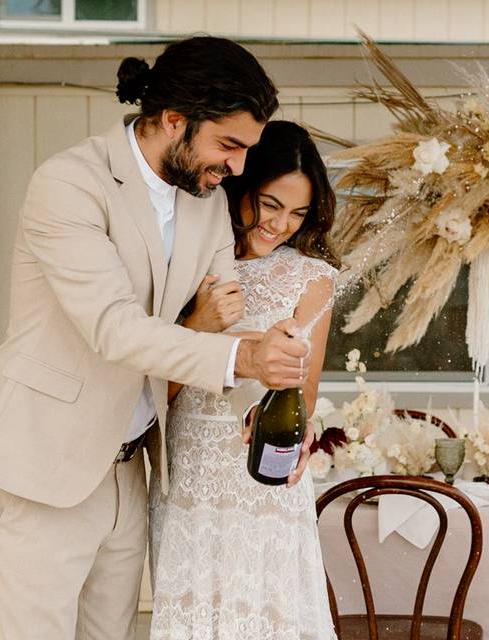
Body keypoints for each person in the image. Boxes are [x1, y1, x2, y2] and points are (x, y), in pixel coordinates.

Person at [0, 37, 313, 640]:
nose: (237, 168)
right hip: (46, 469)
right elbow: (114, 328)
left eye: (245, 151)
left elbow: (228, 324)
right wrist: (240, 353)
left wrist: (262, 394)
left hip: (133, 473)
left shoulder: (205, 206)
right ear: (175, 119)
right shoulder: (69, 185)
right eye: (228, 146)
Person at [149, 121, 339, 639]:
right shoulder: (189, 262)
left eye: (297, 214)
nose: (280, 225)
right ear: (241, 184)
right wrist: (197, 327)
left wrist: (292, 427)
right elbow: (152, 389)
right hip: (189, 467)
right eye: (271, 204)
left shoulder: (310, 278)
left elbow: (306, 387)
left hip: (261, 473)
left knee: (262, 610)